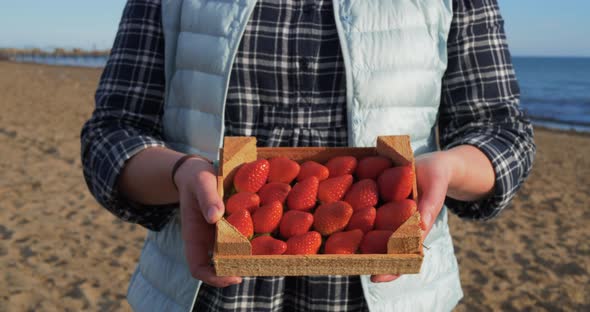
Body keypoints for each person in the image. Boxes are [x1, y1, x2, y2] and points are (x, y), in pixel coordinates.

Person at [81, 0, 535, 311]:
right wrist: (181, 173)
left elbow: (501, 131)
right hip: (203, 295)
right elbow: (112, 134)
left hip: (397, 296)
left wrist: (451, 168)